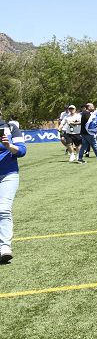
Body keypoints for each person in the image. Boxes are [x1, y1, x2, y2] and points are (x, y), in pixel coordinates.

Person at [0, 108, 27, 264]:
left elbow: (22, 151)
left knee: (3, 209)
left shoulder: (11, 128)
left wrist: (8, 146)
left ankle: (5, 248)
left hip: (8, 175)